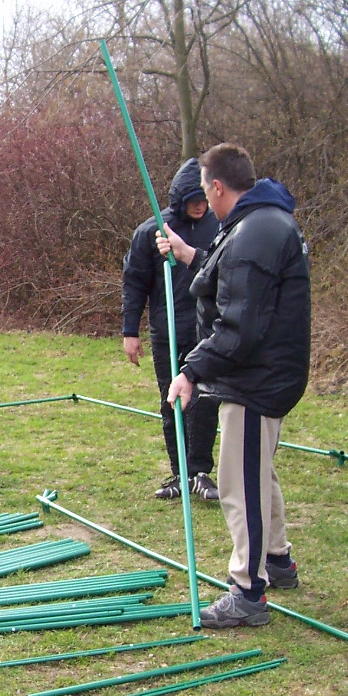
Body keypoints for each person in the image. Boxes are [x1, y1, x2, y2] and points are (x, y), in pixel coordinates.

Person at [159, 144, 310, 629]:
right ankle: (278, 559)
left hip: (254, 380)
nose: (206, 200)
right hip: (266, 375)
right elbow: (235, 280)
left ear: (218, 187)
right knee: (257, 471)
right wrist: (190, 255)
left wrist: (190, 370)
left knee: (238, 485)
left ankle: (248, 591)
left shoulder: (256, 231)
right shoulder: (261, 223)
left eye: (206, 192)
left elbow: (239, 325)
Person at [122, 157, 220, 500]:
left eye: (203, 198)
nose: (200, 205)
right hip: (167, 332)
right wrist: (130, 331)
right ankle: (180, 473)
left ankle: (201, 472)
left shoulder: (219, 226)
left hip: (206, 332)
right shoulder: (152, 231)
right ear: (180, 199)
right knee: (172, 402)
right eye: (193, 200)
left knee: (205, 401)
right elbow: (134, 283)